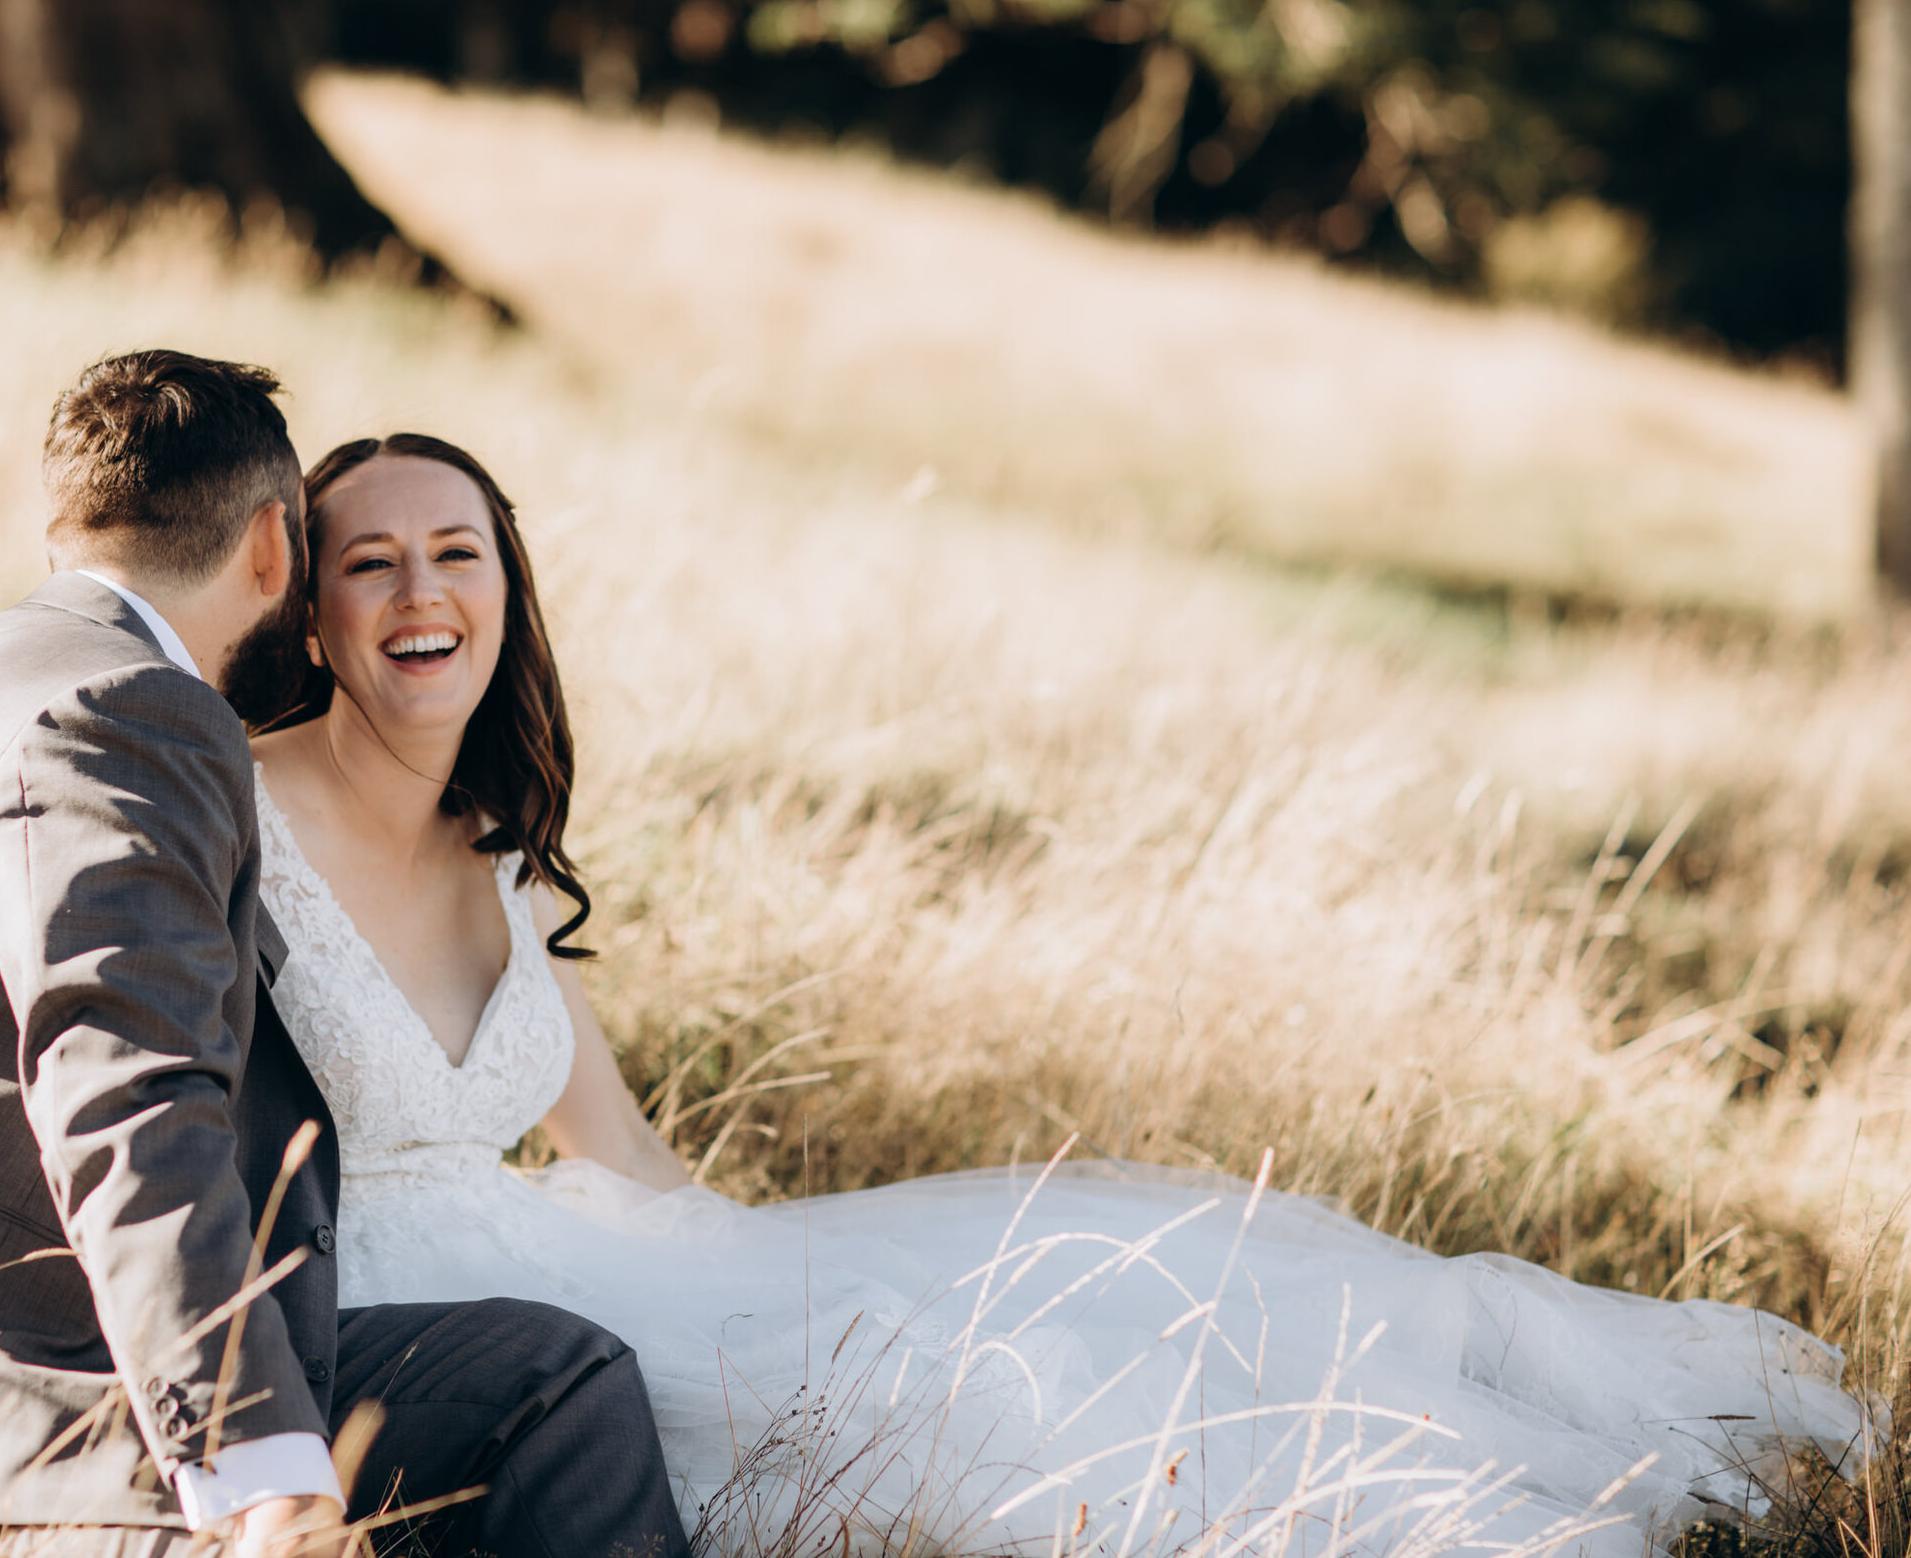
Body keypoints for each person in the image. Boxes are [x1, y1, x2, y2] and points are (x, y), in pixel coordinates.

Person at [229, 431, 1874, 1558]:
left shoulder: (495, 841)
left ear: (507, 589)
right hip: (371, 1283)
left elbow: (637, 1165)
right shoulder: (225, 803)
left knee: (1076, 1303)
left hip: (558, 1243)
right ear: (309, 602)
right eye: (371, 562)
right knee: (957, 1409)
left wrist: (766, 1265)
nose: (421, 591)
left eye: (458, 551)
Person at [0, 354, 691, 1558]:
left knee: (551, 1379)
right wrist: (265, 1472)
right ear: (276, 551)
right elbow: (127, 1093)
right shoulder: (129, 708)